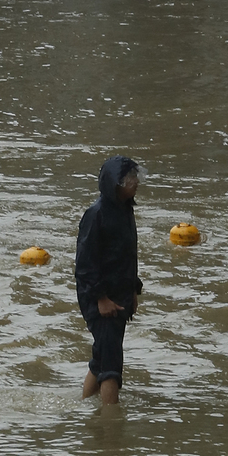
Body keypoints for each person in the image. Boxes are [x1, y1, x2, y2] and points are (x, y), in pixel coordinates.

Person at [75, 156, 143, 404]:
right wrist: (101, 299)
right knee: (111, 367)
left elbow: (127, 256)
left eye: (136, 177)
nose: (135, 182)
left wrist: (133, 290)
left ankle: (84, 408)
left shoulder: (125, 212)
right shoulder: (96, 215)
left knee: (102, 358)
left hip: (119, 296)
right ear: (115, 184)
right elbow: (85, 265)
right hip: (101, 301)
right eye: (129, 179)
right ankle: (111, 430)